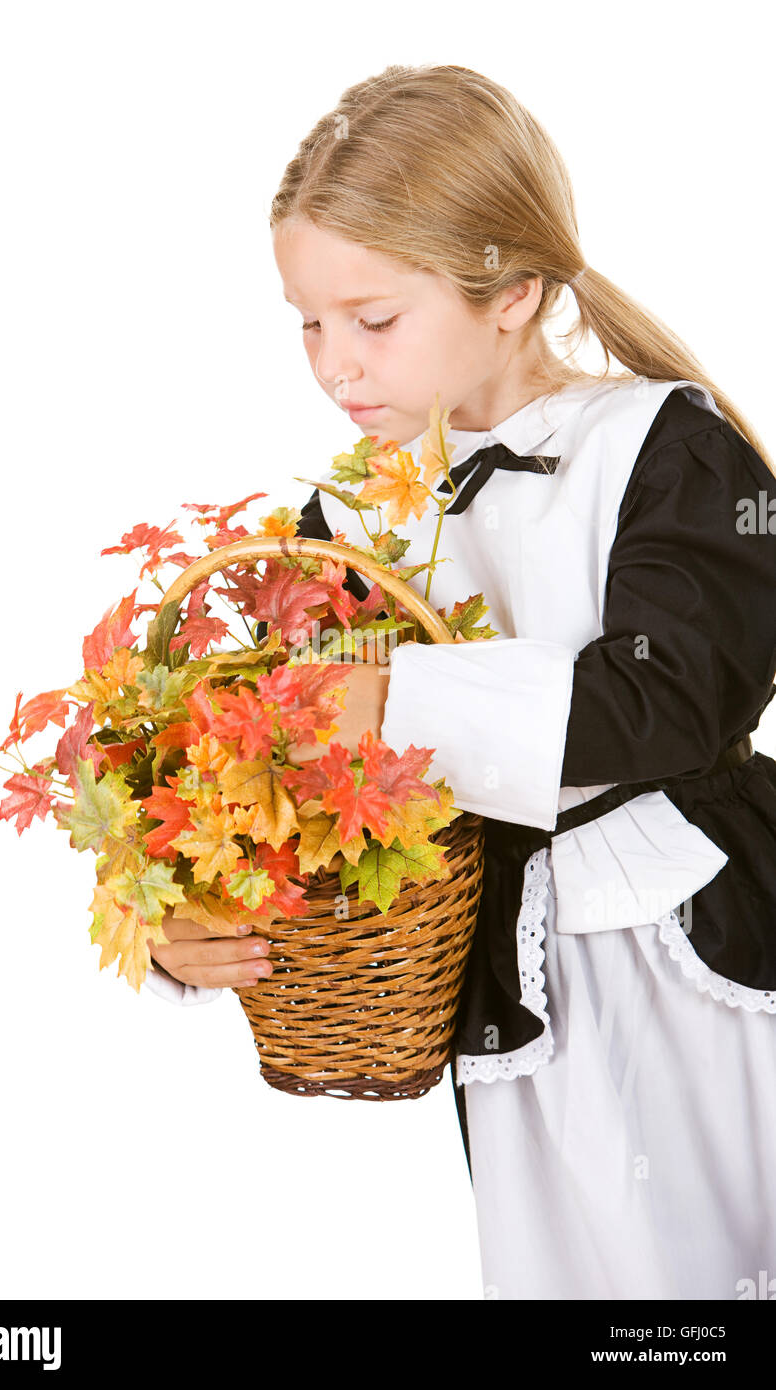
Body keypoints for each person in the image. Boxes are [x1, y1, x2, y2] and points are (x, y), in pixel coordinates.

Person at [143, 64, 776, 1300]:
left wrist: (399, 703)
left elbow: (671, 699)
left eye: (371, 319)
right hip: (512, 985)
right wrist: (183, 921)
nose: (333, 364)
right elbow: (289, 774)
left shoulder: (663, 446)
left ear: (515, 292)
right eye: (307, 321)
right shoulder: (344, 521)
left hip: (703, 950)